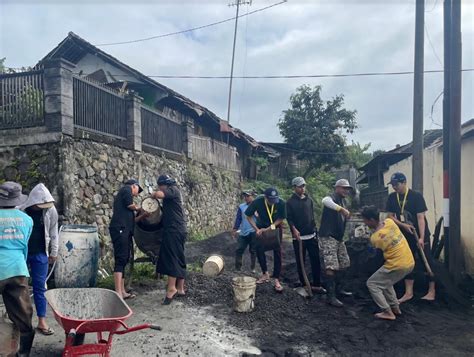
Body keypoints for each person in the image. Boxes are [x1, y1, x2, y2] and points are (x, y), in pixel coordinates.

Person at [386, 172, 436, 302]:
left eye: (396, 184)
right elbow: (390, 216)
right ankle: (409, 292)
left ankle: (432, 291)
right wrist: (403, 226)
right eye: (393, 185)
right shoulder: (392, 197)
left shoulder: (416, 196)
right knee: (408, 261)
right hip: (405, 234)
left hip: (420, 233)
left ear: (404, 183)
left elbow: (421, 218)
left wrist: (421, 237)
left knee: (427, 260)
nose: (394, 187)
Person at [361, 206, 415, 320]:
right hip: (409, 262)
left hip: (397, 265)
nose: (364, 223)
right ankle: (395, 308)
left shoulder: (375, 238)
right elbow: (390, 219)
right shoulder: (390, 222)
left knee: (372, 284)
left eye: (365, 220)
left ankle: (387, 312)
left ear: (371, 219)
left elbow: (375, 255)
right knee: (385, 281)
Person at [0, 182, 35, 357]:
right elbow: (24, 248)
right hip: (17, 268)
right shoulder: (27, 220)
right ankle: (23, 353)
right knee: (23, 313)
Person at [19, 183, 58, 336]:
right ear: (33, 202)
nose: (43, 207)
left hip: (41, 252)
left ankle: (42, 320)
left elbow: (54, 231)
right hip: (22, 253)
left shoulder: (50, 210)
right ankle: (21, 322)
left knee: (40, 287)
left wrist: (54, 252)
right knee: (20, 286)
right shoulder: (21, 211)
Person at [151, 174, 187, 305]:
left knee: (172, 256)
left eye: (160, 186)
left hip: (174, 230)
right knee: (179, 256)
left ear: (164, 184)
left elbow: (159, 194)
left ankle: (171, 288)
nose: (159, 188)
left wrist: (153, 194)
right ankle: (180, 288)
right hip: (178, 229)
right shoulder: (172, 193)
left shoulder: (173, 190)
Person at [286, 177, 326, 293]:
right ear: (294, 188)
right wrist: (294, 230)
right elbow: (289, 218)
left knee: (315, 259)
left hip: (311, 235)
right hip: (299, 237)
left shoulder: (309, 200)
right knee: (301, 261)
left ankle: (317, 284)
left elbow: (311, 216)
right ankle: (304, 285)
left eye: (303, 186)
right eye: (300, 186)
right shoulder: (290, 202)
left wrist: (315, 230)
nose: (302, 188)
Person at [319, 179, 353, 307]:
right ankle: (330, 296)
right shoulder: (331, 198)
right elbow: (324, 201)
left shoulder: (344, 201)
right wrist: (341, 209)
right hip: (328, 237)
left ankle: (339, 289)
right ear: (337, 188)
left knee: (345, 263)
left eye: (347, 188)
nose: (346, 191)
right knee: (331, 266)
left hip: (338, 238)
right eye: (343, 188)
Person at [245, 187, 286, 292]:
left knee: (277, 251)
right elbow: (248, 216)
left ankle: (276, 278)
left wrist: (269, 228)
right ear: (265, 197)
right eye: (270, 200)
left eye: (274, 200)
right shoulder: (258, 201)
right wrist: (257, 229)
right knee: (259, 249)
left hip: (275, 228)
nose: (273, 203)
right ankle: (265, 274)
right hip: (261, 228)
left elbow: (281, 218)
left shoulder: (281, 203)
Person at [109, 179, 144, 300]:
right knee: (120, 258)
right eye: (138, 190)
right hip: (120, 229)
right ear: (134, 186)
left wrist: (143, 215)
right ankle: (118, 292)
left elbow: (133, 219)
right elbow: (131, 206)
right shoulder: (126, 189)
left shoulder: (125, 201)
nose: (137, 194)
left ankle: (122, 291)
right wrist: (140, 208)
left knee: (124, 258)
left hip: (125, 229)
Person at [232, 189, 257, 272]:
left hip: (254, 231)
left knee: (253, 250)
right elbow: (239, 218)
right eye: (245, 196)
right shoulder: (241, 206)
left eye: (248, 196)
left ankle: (253, 268)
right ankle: (238, 268)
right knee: (239, 249)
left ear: (253, 196)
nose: (246, 198)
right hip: (243, 231)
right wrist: (235, 228)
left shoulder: (257, 206)